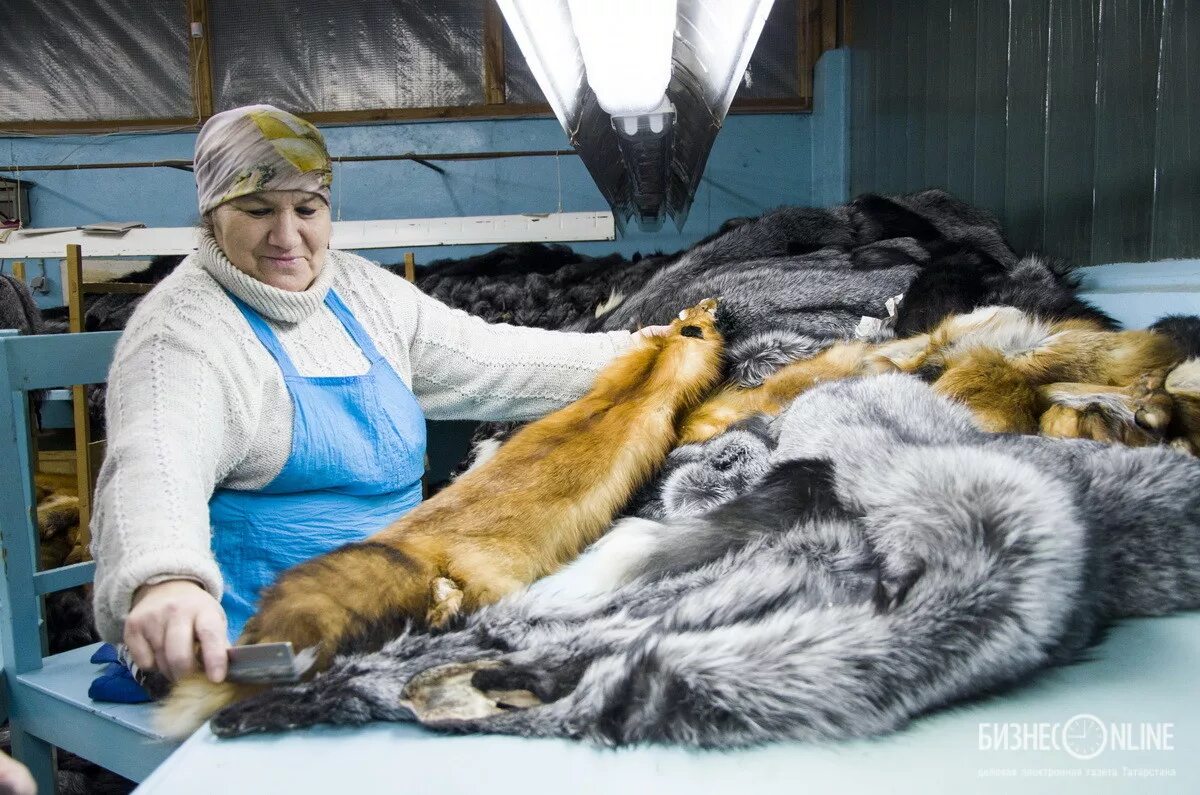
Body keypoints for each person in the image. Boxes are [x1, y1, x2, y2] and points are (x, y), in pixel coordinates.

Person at [90, 104, 664, 687]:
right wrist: (167, 580)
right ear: (213, 214)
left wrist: (655, 350)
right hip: (257, 648)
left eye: (307, 209)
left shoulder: (363, 293)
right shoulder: (184, 331)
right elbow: (157, 459)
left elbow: (496, 361)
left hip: (398, 622)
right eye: (257, 209)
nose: (287, 235)